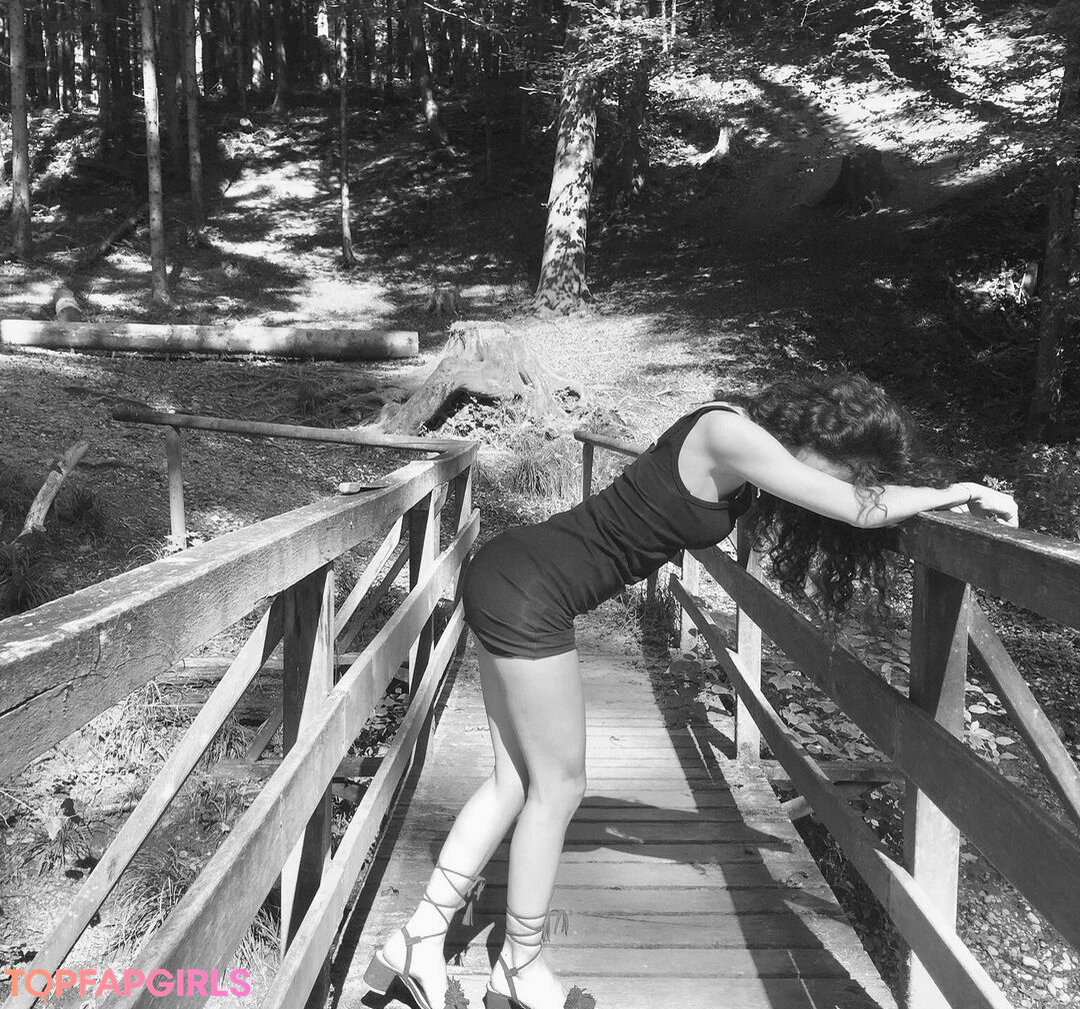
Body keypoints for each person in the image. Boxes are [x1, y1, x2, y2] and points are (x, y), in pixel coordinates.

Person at [362, 373, 1018, 1009]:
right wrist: (954, 490)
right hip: (531, 592)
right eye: (845, 469)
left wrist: (924, 500)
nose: (841, 483)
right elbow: (855, 507)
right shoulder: (729, 433)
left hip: (516, 576)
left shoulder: (736, 439)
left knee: (515, 781)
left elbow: (843, 501)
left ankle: (418, 939)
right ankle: (521, 966)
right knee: (558, 787)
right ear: (824, 437)